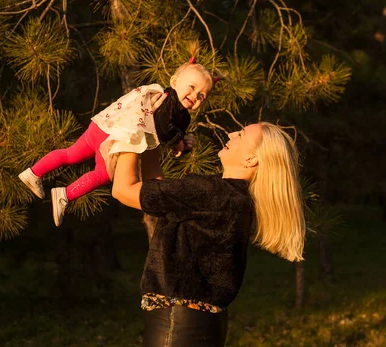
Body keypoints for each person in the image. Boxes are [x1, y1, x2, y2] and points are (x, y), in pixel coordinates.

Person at [112, 121, 306, 347]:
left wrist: (130, 133)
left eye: (241, 135)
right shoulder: (233, 197)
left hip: (177, 327)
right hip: (199, 325)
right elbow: (157, 191)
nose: (232, 133)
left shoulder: (213, 193)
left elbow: (123, 190)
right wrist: (150, 139)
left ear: (251, 159)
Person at [18, 56, 213, 226]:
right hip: (112, 136)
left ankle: (34, 172)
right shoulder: (167, 100)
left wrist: (181, 146)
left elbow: (168, 133)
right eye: (192, 87)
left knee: (71, 154)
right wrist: (178, 141)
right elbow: (162, 128)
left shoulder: (180, 114)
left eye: (201, 96)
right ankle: (65, 195)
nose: (194, 96)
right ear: (175, 80)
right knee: (103, 174)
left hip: (103, 125)